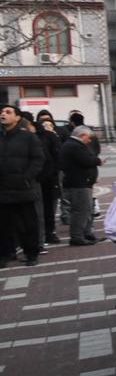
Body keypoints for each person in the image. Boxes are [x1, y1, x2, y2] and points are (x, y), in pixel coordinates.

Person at [0, 104, 44, 266]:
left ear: (17, 117)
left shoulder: (28, 137)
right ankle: (6, 253)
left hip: (22, 187)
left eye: (8, 112)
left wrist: (27, 177)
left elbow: (38, 159)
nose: (3, 114)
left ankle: (31, 253)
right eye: (1, 112)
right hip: (2, 188)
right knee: (3, 225)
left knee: (27, 224)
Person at [59, 126, 101, 246]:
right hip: (78, 183)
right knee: (81, 211)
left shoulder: (71, 145)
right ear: (82, 135)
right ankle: (77, 236)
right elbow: (86, 160)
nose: (89, 140)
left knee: (85, 210)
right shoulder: (75, 146)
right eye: (88, 138)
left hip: (80, 182)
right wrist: (98, 161)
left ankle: (85, 234)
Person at [34, 114, 62, 246]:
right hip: (40, 178)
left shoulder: (53, 137)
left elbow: (58, 157)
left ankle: (50, 232)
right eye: (44, 124)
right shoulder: (37, 137)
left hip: (50, 178)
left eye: (49, 124)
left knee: (50, 206)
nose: (47, 127)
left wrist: (54, 172)